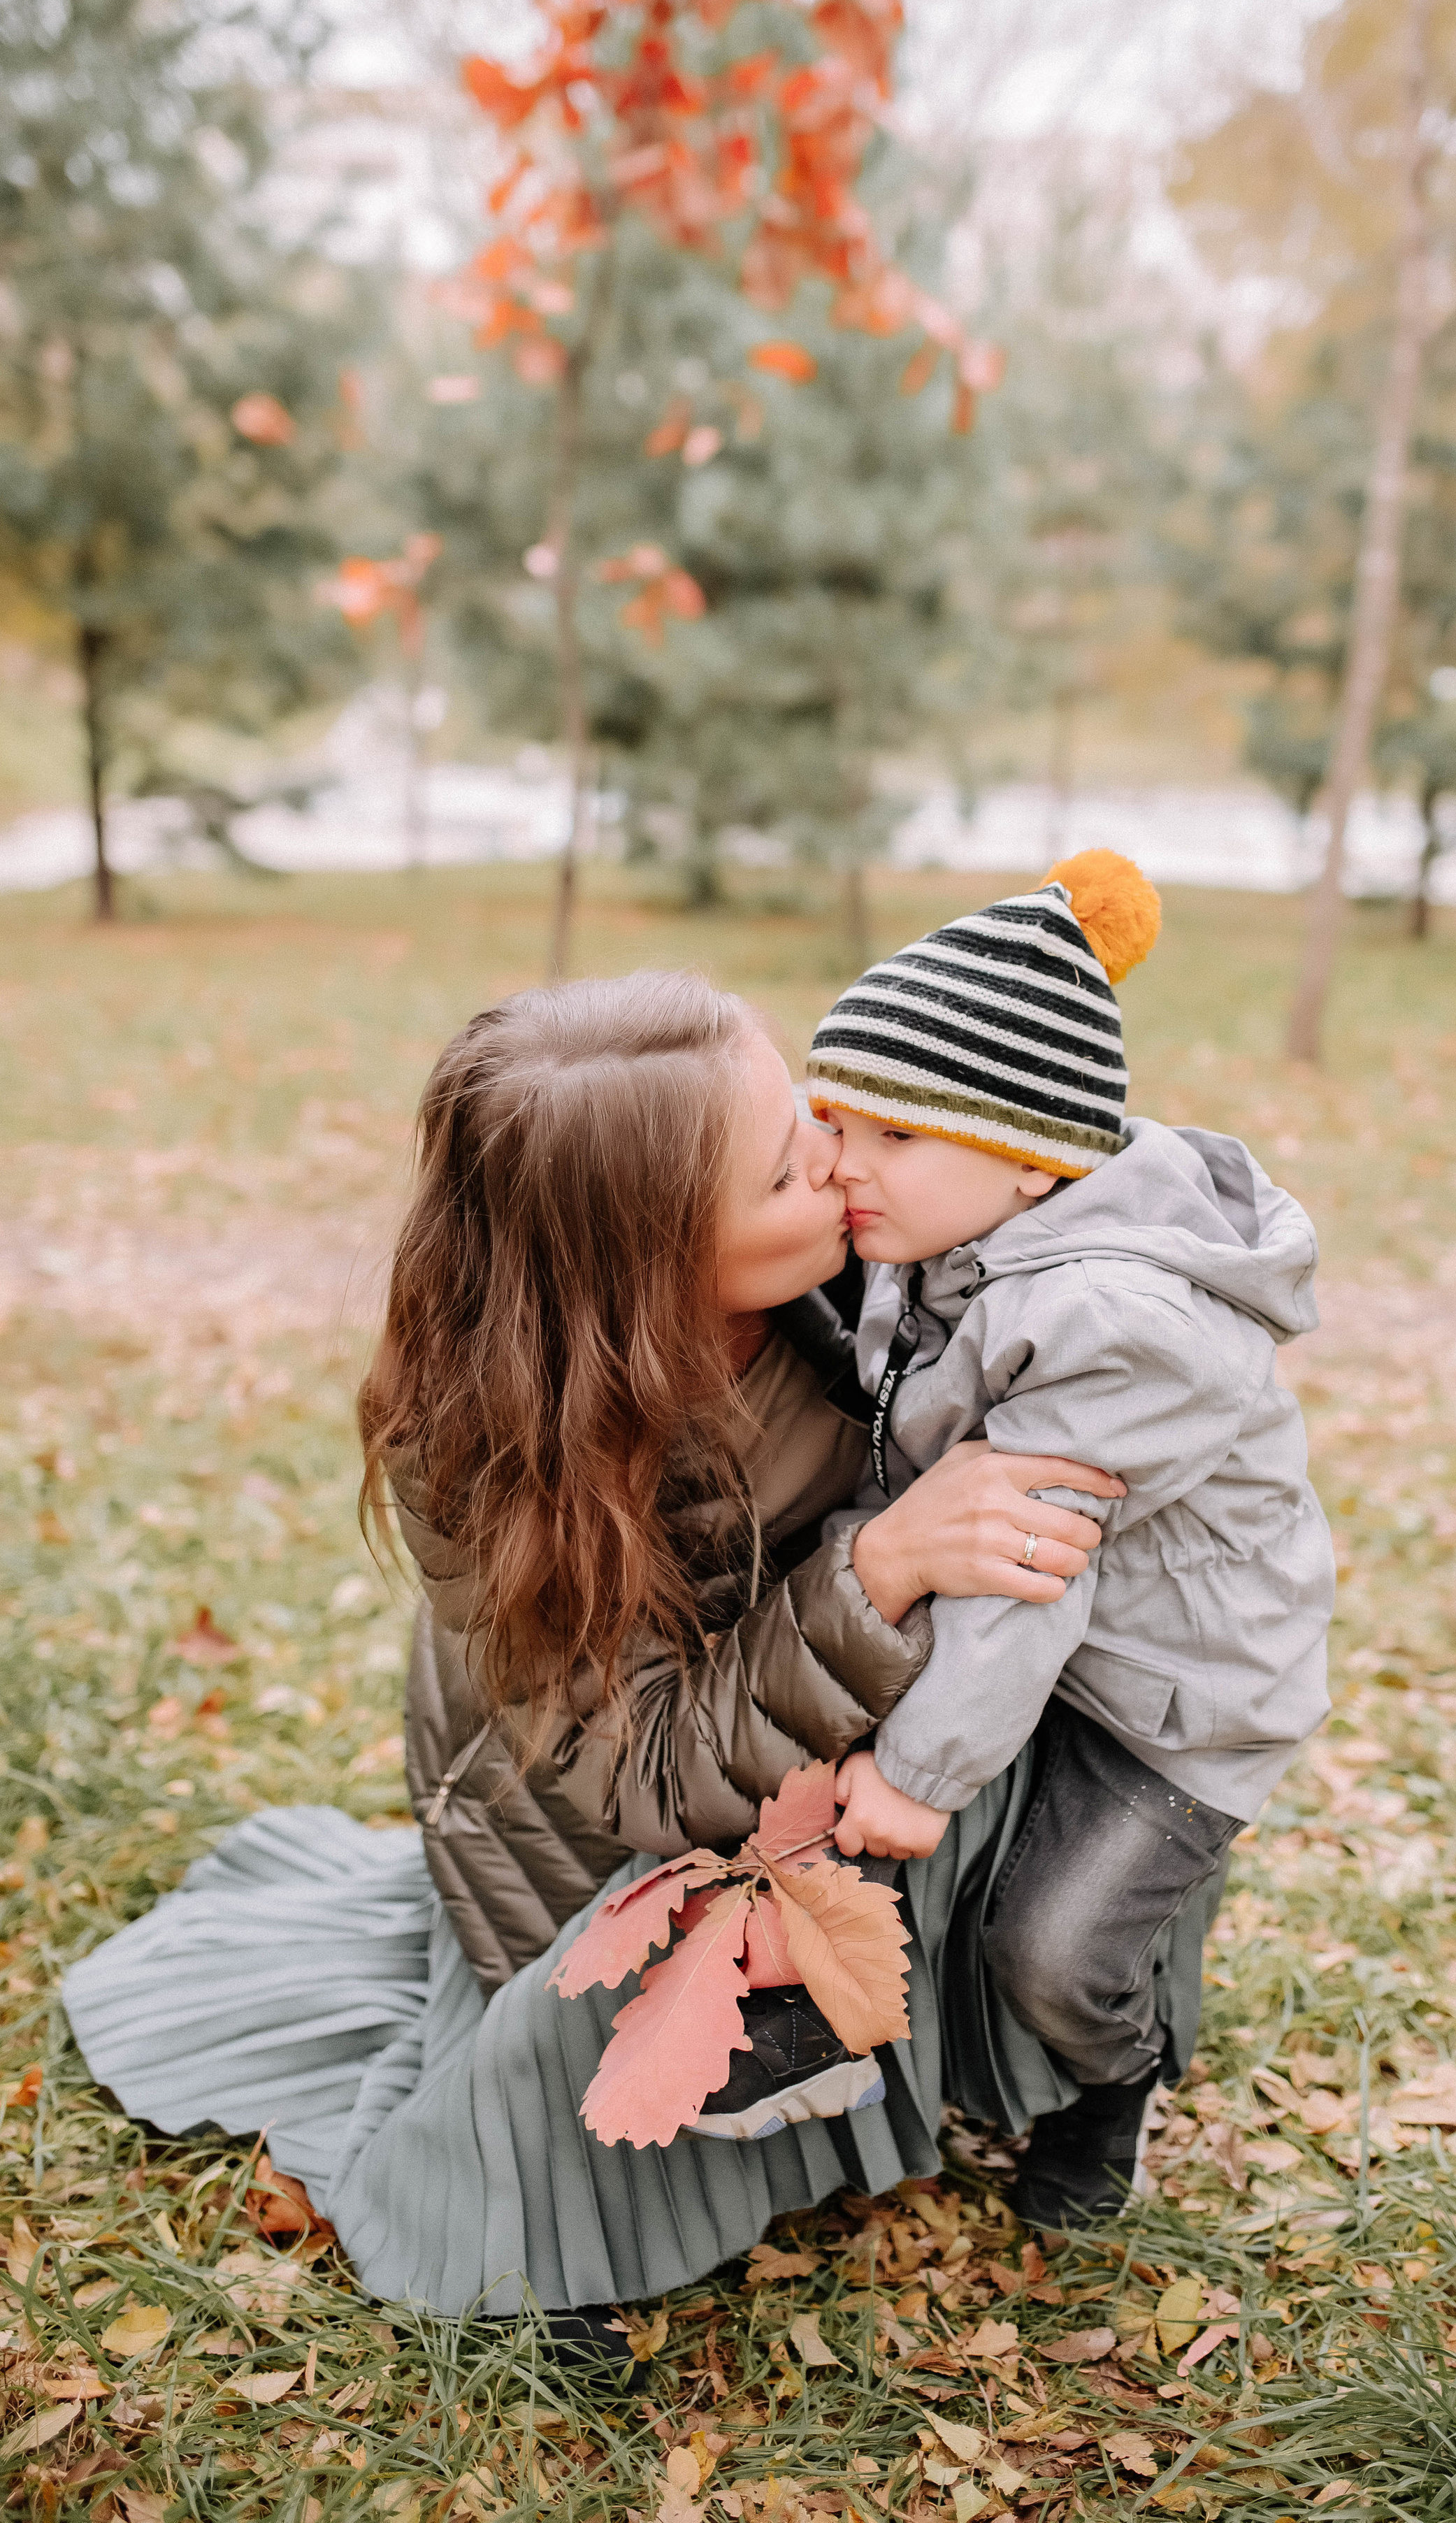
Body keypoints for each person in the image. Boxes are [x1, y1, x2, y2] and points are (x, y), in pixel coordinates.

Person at [63, 968, 1189, 2341]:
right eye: (787, 1168)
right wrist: (883, 1567)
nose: (844, 1157)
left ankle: (1062, 2046)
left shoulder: (872, 1260)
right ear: (648, 1267)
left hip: (818, 1763)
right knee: (604, 2063)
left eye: (809, 1114)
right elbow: (644, 1779)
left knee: (1053, 1767)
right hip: (596, 1829)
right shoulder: (477, 1447)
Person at [805, 851, 1334, 2229]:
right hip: (1071, 1645)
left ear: (1035, 1155)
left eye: (891, 1137)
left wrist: (918, 1773)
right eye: (835, 1124)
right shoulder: (946, 1229)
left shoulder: (1116, 1322)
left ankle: (1118, 2076)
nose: (843, 1166)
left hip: (1177, 1701)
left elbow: (1027, 1560)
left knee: (1048, 1946)